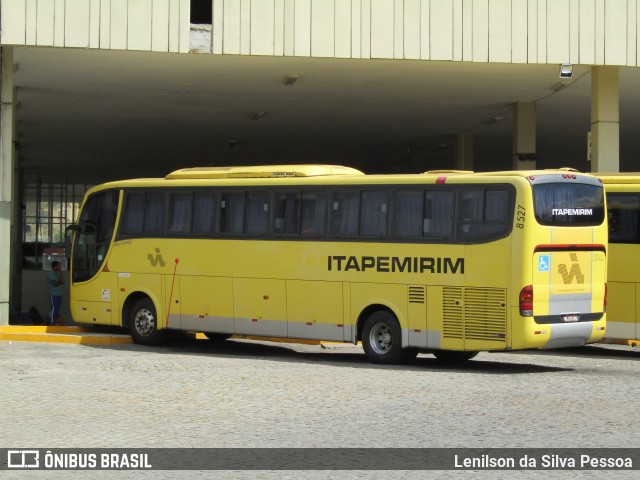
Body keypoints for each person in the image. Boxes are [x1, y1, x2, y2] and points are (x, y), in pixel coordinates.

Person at [47, 260, 65, 326]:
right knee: (55, 308)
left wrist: (61, 273)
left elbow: (63, 282)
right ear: (55, 266)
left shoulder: (56, 274)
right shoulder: (50, 274)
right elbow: (55, 283)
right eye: (58, 266)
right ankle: (52, 322)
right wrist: (59, 282)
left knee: (57, 308)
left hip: (59, 294)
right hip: (54, 294)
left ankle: (54, 321)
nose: (59, 267)